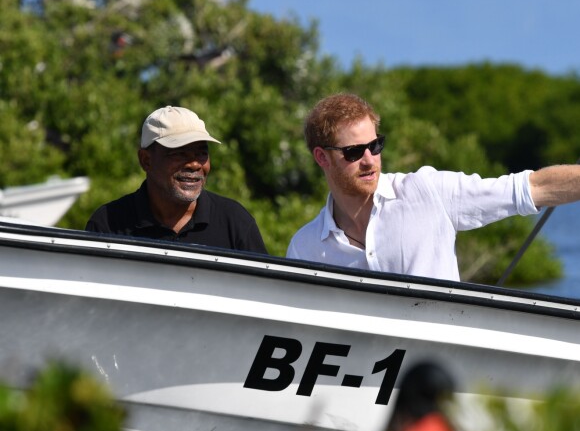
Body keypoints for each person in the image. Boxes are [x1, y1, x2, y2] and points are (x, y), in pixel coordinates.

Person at [287, 92, 580, 280]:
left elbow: (530, 188)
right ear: (321, 157)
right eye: (353, 152)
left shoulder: (429, 191)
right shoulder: (304, 248)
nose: (369, 160)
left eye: (376, 146)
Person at [86, 105, 267, 254]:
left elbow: (262, 293)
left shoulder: (234, 221)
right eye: (180, 153)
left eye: (202, 153)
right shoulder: (107, 224)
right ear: (146, 160)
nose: (195, 164)